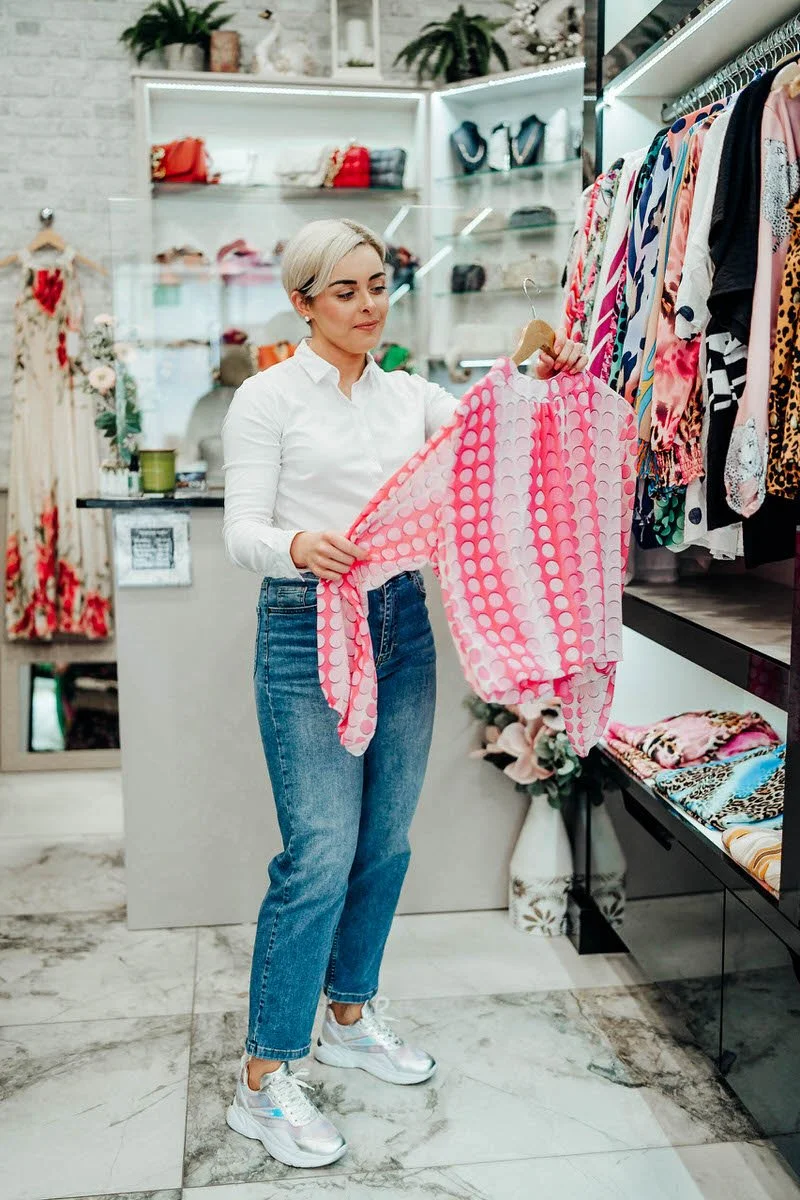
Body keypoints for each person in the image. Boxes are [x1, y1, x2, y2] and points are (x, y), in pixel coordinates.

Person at [221, 217, 587, 1169]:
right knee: (319, 852)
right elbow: (241, 530)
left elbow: (488, 442)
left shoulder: (410, 397)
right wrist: (295, 545)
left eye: (378, 285)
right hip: (306, 624)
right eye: (345, 291)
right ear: (303, 302)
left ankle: (348, 1016)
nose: (368, 305)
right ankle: (262, 1078)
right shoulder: (268, 398)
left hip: (401, 624)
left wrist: (537, 380)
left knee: (385, 841)